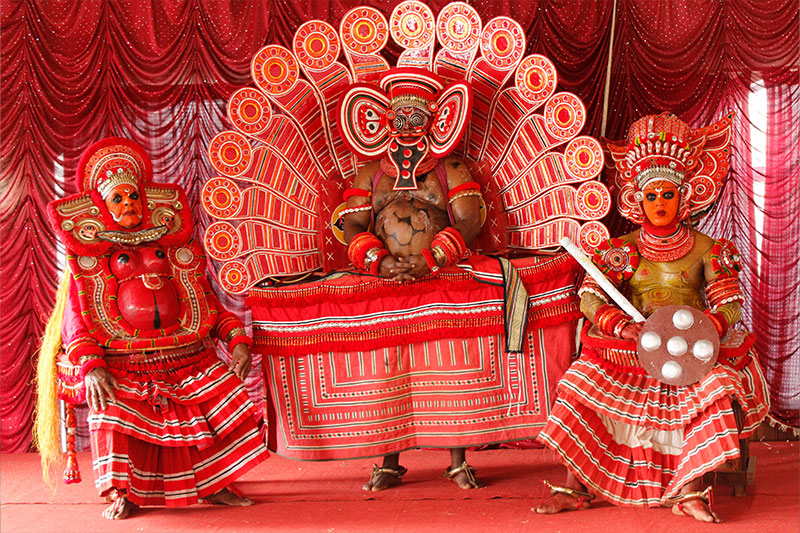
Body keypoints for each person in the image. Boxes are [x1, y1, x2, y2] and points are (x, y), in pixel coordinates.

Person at [535, 113, 769, 522]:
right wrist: (621, 324)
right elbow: (589, 297)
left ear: (683, 197)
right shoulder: (622, 247)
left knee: (714, 388)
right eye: (651, 196)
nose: (659, 203)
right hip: (629, 347)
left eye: (667, 195)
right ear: (638, 200)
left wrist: (706, 327)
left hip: (688, 353)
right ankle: (572, 487)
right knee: (577, 383)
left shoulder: (708, 249)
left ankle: (689, 491)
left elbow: (730, 304)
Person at [37, 138, 269, 519]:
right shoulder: (88, 259)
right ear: (102, 207)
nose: (128, 204)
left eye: (133, 197)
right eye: (118, 199)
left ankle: (216, 483)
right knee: (112, 405)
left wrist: (236, 339)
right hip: (122, 360)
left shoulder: (173, 246)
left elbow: (204, 300)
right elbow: (76, 318)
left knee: (220, 394)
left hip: (184, 355)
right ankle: (126, 493)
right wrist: (90, 364)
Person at [341, 68, 484, 490]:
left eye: (416, 120)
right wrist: (378, 262)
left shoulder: (452, 168)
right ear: (383, 123)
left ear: (435, 122)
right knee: (390, 371)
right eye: (399, 120)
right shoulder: (370, 175)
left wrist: (431, 259)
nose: (407, 129)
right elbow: (352, 225)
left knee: (447, 368)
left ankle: (457, 460)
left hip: (442, 279)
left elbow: (470, 222)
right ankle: (388, 461)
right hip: (386, 282)